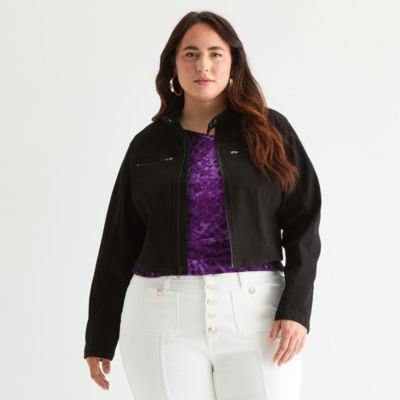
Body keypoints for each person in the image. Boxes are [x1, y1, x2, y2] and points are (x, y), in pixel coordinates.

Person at [84, 10, 321, 400]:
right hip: (161, 317)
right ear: (173, 65)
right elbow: (118, 242)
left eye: (215, 53)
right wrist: (99, 336)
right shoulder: (147, 145)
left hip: (258, 315)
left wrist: (296, 310)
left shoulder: (271, 132)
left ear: (234, 63)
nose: (203, 65)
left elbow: (304, 223)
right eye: (190, 54)